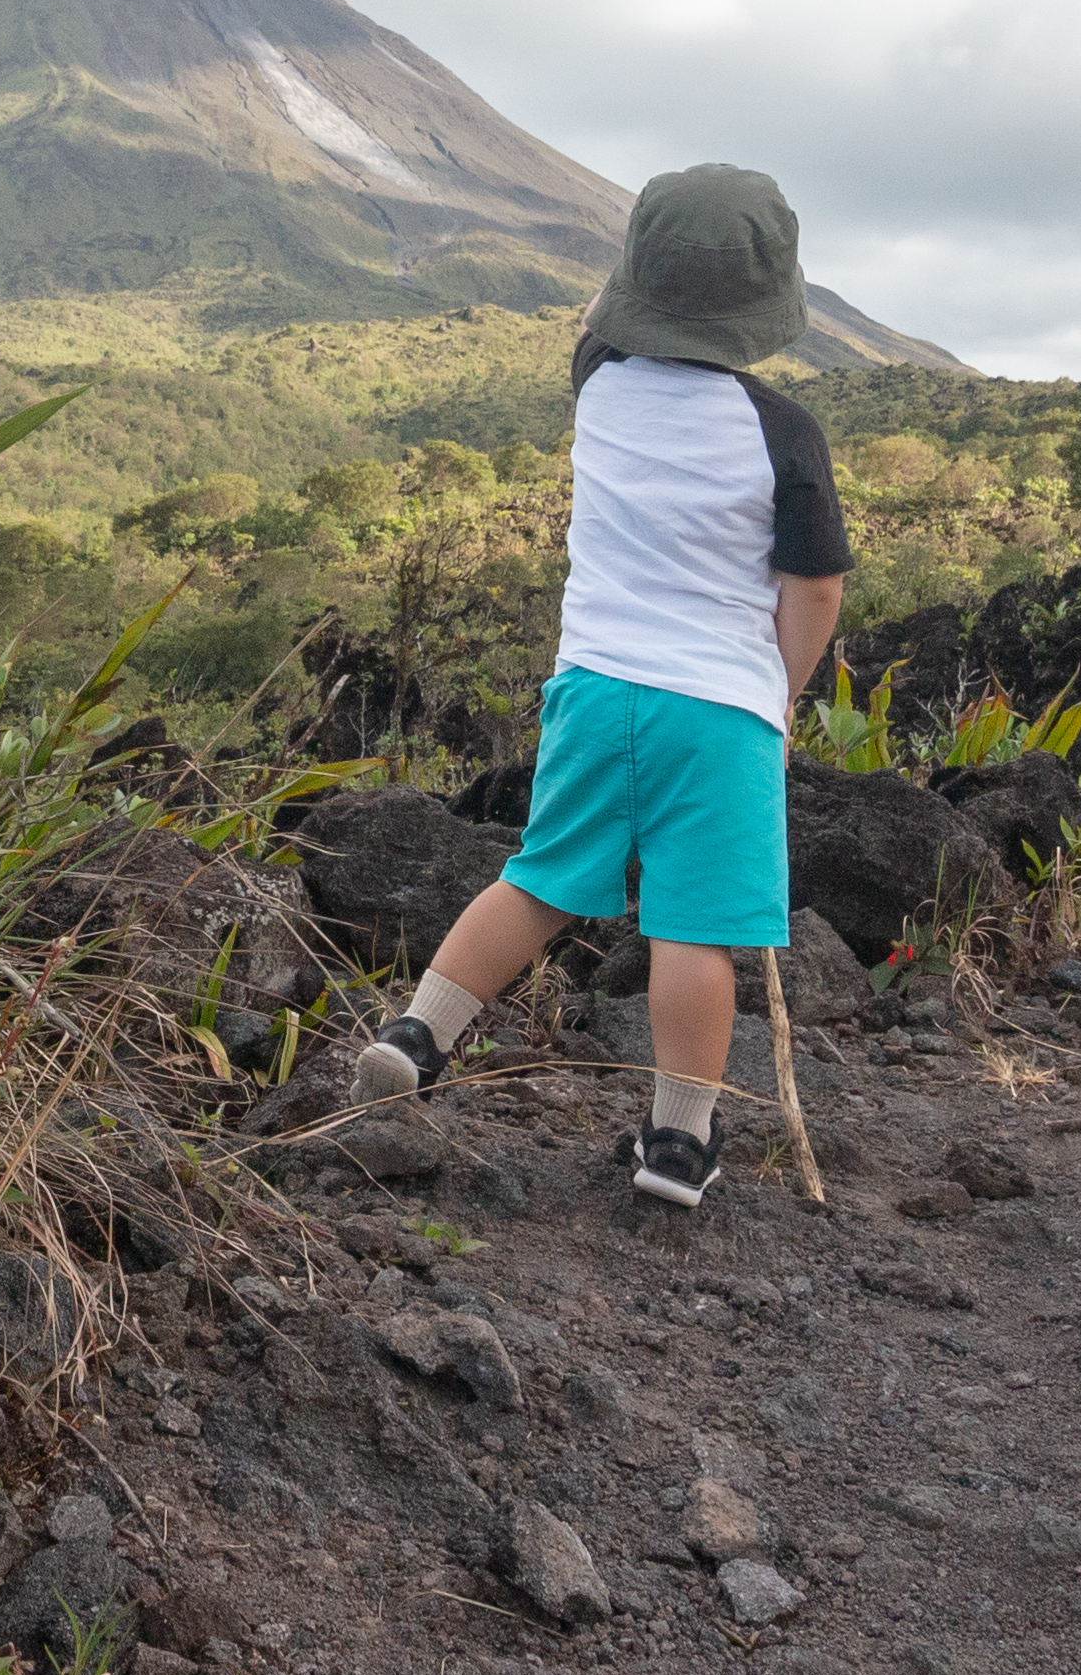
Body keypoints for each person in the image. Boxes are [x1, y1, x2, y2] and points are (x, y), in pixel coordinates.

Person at [346, 163, 849, 1204]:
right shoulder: (784, 433)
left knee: (539, 880)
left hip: (594, 691)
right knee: (693, 931)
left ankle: (418, 1032)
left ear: (632, 291)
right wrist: (782, 691)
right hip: (719, 712)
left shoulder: (602, 382)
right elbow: (814, 593)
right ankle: (677, 1142)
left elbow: (603, 321)